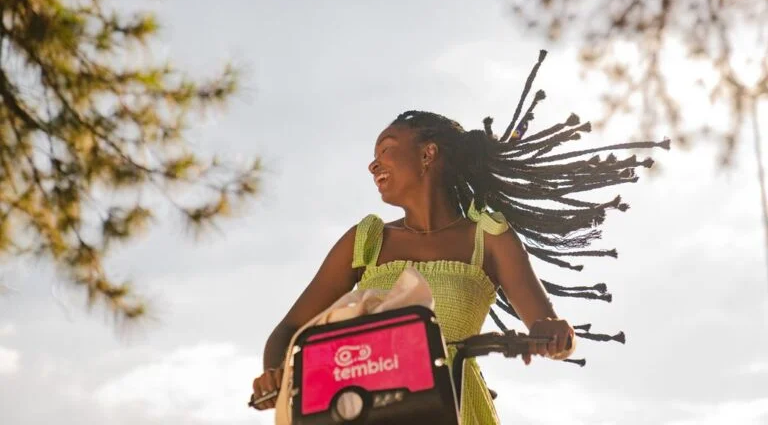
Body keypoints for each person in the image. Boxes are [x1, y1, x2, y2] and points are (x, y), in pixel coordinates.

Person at [251, 51, 669, 423]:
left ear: (427, 154)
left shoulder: (488, 237)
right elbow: (290, 327)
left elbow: (544, 321)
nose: (372, 165)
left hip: (451, 403)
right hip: (370, 405)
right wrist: (273, 373)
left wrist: (556, 335)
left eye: (385, 150)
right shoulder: (367, 240)